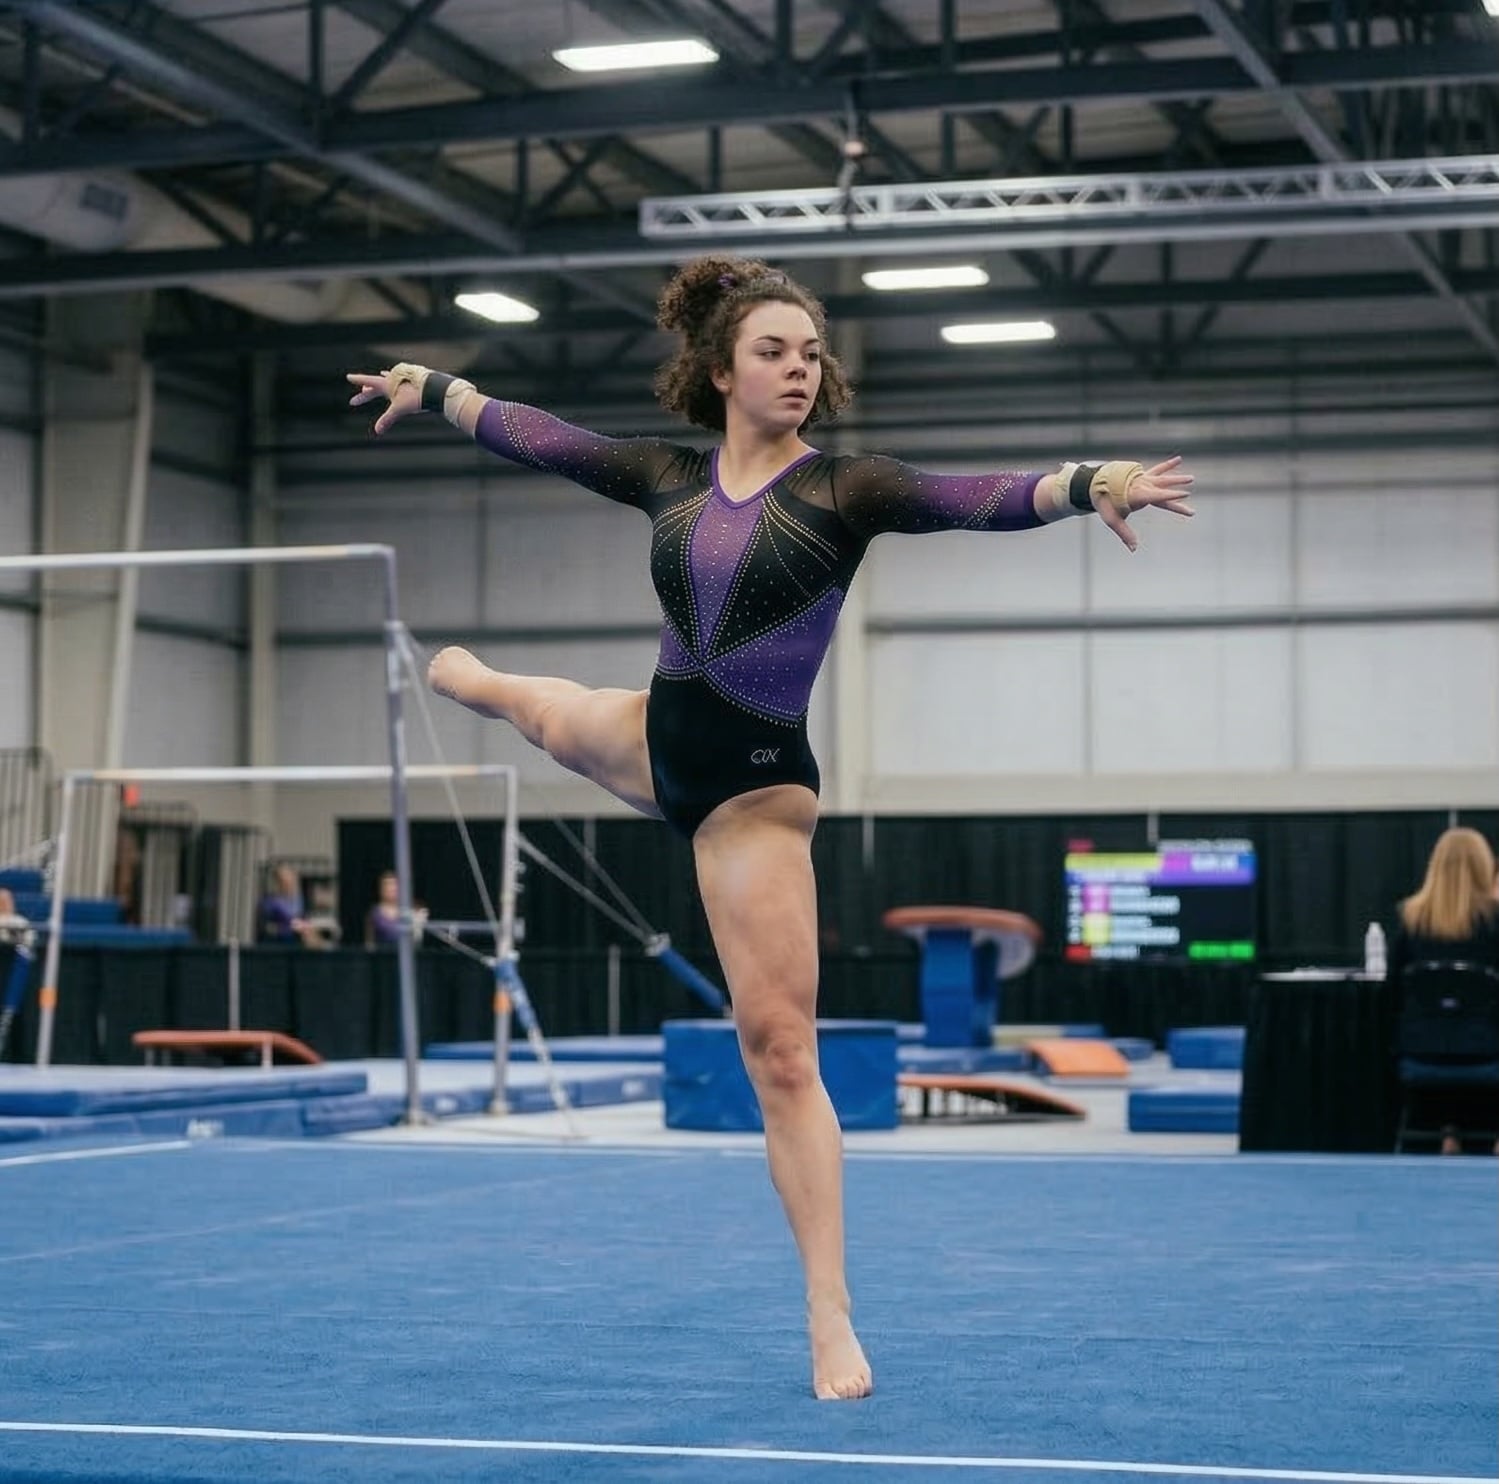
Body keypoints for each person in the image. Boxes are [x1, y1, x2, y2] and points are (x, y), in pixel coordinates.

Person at [347, 253, 1196, 1400]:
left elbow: (974, 497)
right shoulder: (663, 475)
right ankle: (486, 684)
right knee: (547, 715)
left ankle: (827, 1309)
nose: (798, 368)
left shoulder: (847, 490)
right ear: (718, 369)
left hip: (749, 799)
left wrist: (1088, 479)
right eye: (772, 351)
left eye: (809, 353)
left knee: (781, 1051)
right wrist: (434, 386)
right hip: (657, 739)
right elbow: (541, 435)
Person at [1386, 827, 1499, 1155]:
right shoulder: (1495, 923)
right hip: (1487, 1052)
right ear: (1484, 867)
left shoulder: (1410, 919)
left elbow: (1392, 992)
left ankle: (1446, 1129)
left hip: (1421, 1051)